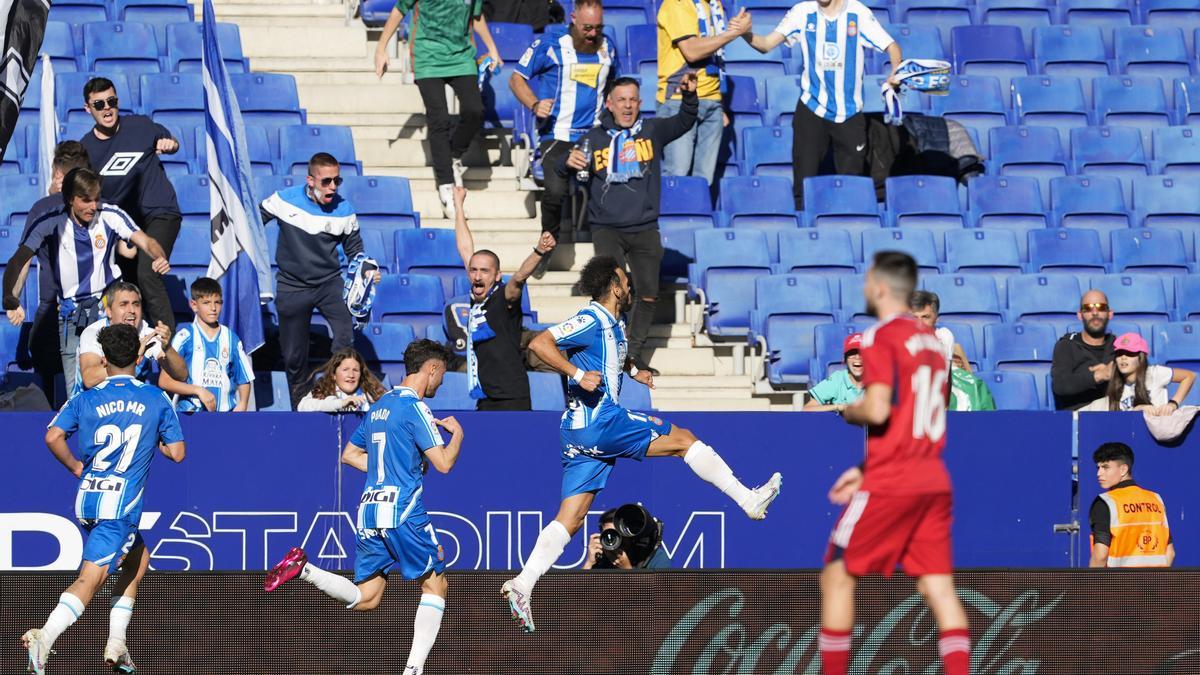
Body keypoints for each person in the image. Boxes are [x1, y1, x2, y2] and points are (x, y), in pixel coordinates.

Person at [500, 255, 782, 633]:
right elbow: (540, 343)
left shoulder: (613, 324)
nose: (630, 286)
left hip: (580, 433)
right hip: (600, 421)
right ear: (614, 286)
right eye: (625, 281)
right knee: (684, 441)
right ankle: (748, 501)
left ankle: (523, 584)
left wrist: (635, 371)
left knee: (572, 518)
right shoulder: (592, 318)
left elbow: (615, 353)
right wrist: (577, 372)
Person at [263, 339, 463, 675]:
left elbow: (350, 454)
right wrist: (457, 435)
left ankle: (304, 570)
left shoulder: (379, 406)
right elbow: (443, 463)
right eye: (441, 374)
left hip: (370, 509)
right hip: (402, 509)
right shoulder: (416, 408)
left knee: (367, 597)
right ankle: (413, 671)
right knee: (436, 586)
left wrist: (395, 463)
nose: (441, 383)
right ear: (432, 368)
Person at [820, 251, 970, 675]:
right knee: (940, 589)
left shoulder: (879, 337)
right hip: (933, 476)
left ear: (881, 287)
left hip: (894, 480)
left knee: (836, 575)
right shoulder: (934, 346)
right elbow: (919, 418)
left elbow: (880, 410)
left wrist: (849, 409)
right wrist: (866, 467)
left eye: (868, 280)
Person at [23, 322, 186, 675]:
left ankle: (117, 644)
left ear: (105, 360)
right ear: (138, 356)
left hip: (88, 497)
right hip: (120, 505)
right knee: (91, 578)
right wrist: (155, 441)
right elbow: (177, 452)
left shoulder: (86, 396)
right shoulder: (154, 398)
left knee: (138, 560)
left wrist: (76, 467)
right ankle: (45, 637)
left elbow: (53, 437)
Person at [565, 74, 700, 374]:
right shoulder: (592, 139)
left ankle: (632, 355)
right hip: (607, 227)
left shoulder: (652, 130)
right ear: (609, 104)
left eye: (632, 100)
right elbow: (577, 178)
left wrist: (690, 97)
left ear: (640, 103)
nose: (627, 106)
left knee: (648, 293)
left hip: (645, 227)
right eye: (621, 100)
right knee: (612, 291)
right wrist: (570, 163)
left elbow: (684, 122)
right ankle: (606, 350)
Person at [2, 168, 172, 394]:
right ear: (70, 199)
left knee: (120, 381)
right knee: (77, 391)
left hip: (109, 311)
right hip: (72, 317)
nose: (93, 206)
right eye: (85, 200)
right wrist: (10, 298)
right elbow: (17, 261)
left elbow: (147, 241)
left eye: (96, 198)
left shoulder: (110, 214)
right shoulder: (50, 222)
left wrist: (159, 256)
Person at [742, 0, 902, 209]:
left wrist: (895, 73)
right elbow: (765, 44)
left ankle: (850, 227)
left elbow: (892, 46)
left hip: (849, 111)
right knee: (803, 184)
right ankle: (803, 230)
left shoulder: (857, 12)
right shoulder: (802, 12)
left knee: (851, 185)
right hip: (811, 107)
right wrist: (745, 33)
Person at [260, 152, 379, 409]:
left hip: (329, 283)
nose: (333, 187)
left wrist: (367, 271)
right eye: (326, 181)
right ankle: (301, 406)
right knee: (293, 356)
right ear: (310, 180)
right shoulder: (284, 200)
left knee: (346, 336)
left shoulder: (344, 209)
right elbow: (251, 222)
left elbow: (356, 251)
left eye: (337, 180)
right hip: (292, 285)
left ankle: (336, 395)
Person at [510, 0, 618, 273]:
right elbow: (516, 79)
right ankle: (548, 241)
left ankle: (612, 257)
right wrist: (535, 104)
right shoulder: (549, 44)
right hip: (556, 135)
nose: (593, 34)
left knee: (617, 184)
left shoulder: (608, 47)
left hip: (595, 134)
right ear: (572, 19)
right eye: (587, 28)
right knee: (556, 189)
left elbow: (613, 86)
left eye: (598, 27)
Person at [374, 0, 502, 219]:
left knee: (475, 111)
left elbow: (476, 16)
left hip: (461, 56)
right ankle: (447, 186)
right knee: (439, 119)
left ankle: (453, 155)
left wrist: (492, 48)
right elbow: (398, 11)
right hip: (427, 56)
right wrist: (381, 49)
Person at [79, 77, 182, 330]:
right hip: (122, 224)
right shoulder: (86, 149)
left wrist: (171, 145)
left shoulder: (140, 126)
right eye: (99, 104)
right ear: (88, 109)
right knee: (123, 284)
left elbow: (171, 141)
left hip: (160, 213)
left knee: (148, 271)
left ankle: (167, 342)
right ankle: (128, 342)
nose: (107, 108)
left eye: (111, 101)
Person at [452, 186, 555, 410]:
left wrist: (539, 251)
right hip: (484, 395)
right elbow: (465, 248)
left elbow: (518, 278)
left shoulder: (502, 296)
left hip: (512, 396)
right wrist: (458, 205)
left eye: (484, 271)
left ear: (497, 275)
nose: (477, 276)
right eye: (473, 270)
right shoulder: (476, 295)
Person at [7, 141, 95, 392]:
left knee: (53, 389)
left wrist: (13, 297)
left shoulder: (42, 208)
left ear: (58, 174)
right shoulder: (99, 205)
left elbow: (23, 260)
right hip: (92, 310)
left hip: (55, 313)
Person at [656, 0, 749, 184]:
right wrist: (733, 33)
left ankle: (697, 214)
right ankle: (672, 214)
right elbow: (691, 51)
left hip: (712, 102)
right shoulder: (677, 4)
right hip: (679, 100)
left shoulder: (715, 5)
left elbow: (715, 56)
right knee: (677, 176)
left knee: (704, 182)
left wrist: (718, 103)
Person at [156, 276, 255, 413]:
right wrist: (198, 390)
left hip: (224, 416)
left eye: (217, 302)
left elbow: (243, 377)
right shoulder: (185, 336)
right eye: (207, 303)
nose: (213, 308)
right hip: (190, 415)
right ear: (194, 305)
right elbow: (164, 381)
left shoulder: (231, 338)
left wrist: (243, 404)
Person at [75, 281, 189, 397]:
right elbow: (90, 379)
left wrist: (167, 348)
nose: (132, 310)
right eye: (123, 304)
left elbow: (181, 375)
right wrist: (134, 355)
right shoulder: (94, 333)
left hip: (131, 406)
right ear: (109, 311)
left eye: (136, 304)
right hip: (92, 404)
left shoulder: (147, 334)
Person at [1088, 442, 1174, 568]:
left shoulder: (1105, 502)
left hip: (1119, 585)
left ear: (1123, 469)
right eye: (1098, 468)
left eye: (1105, 467)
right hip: (1157, 584)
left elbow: (1100, 556)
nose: (1099, 473)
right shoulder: (1156, 500)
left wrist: (1092, 585)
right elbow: (1170, 553)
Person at [1080, 333, 1195, 414]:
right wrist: (1137, 410)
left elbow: (1189, 376)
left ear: (1140, 358)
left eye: (1130, 353)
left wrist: (1173, 404)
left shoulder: (1154, 373)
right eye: (1119, 353)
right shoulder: (1116, 386)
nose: (1123, 357)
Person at [1051, 289, 1116, 410]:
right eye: (1088, 308)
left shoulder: (1119, 347)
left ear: (1110, 314)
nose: (1095, 313)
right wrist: (1099, 375)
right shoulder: (1066, 346)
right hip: (1077, 420)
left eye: (1101, 307)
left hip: (1112, 418)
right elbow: (1060, 385)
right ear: (1080, 315)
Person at [297, 347, 388, 412]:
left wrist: (376, 405)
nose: (351, 375)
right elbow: (302, 407)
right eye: (345, 370)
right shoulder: (323, 391)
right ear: (334, 374)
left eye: (355, 370)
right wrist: (340, 403)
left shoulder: (371, 393)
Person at [581, 505, 671, 569]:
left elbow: (661, 594)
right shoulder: (601, 559)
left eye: (617, 534)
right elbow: (576, 594)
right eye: (609, 534)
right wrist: (589, 563)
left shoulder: (654, 557)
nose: (613, 539)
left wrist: (627, 569)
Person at [805, 333, 865, 412]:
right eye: (852, 353)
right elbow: (807, 409)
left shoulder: (878, 380)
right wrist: (837, 407)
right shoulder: (837, 379)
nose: (857, 358)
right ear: (844, 359)